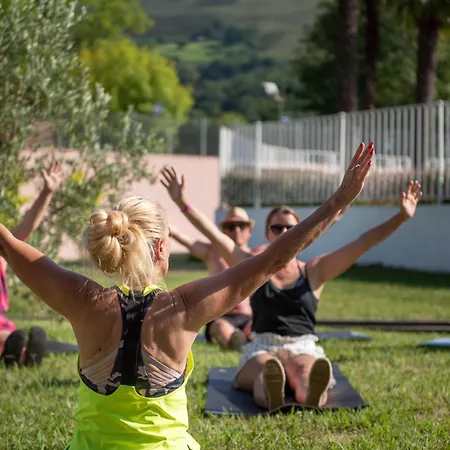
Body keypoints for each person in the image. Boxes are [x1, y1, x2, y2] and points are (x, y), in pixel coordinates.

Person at [0, 144, 371, 449]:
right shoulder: (181, 309)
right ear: (161, 248)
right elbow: (274, 260)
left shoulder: (83, 302)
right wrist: (338, 200)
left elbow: (11, 246)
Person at [160, 143, 423, 411]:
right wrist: (182, 203)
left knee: (306, 373)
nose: (284, 232)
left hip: (303, 346)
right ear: (267, 233)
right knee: (265, 371)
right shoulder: (254, 266)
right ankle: (271, 388)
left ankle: (308, 389)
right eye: (277, 227)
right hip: (262, 346)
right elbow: (215, 236)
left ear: (301, 232)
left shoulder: (315, 270)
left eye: (290, 227)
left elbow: (363, 243)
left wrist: (401, 217)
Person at [165, 195, 263, 350]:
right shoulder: (212, 253)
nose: (237, 230)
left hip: (248, 317)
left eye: (241, 225)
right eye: (231, 226)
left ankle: (246, 342)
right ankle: (240, 344)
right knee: (222, 329)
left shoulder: (257, 256)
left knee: (255, 329)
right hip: (220, 317)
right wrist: (161, 222)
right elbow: (184, 238)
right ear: (224, 230)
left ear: (249, 230)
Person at [0, 162, 64, 367]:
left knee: (14, 336)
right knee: (8, 337)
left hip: (6, 329)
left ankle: (18, 351)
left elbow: (26, 228)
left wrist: (47, 192)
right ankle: (14, 352)